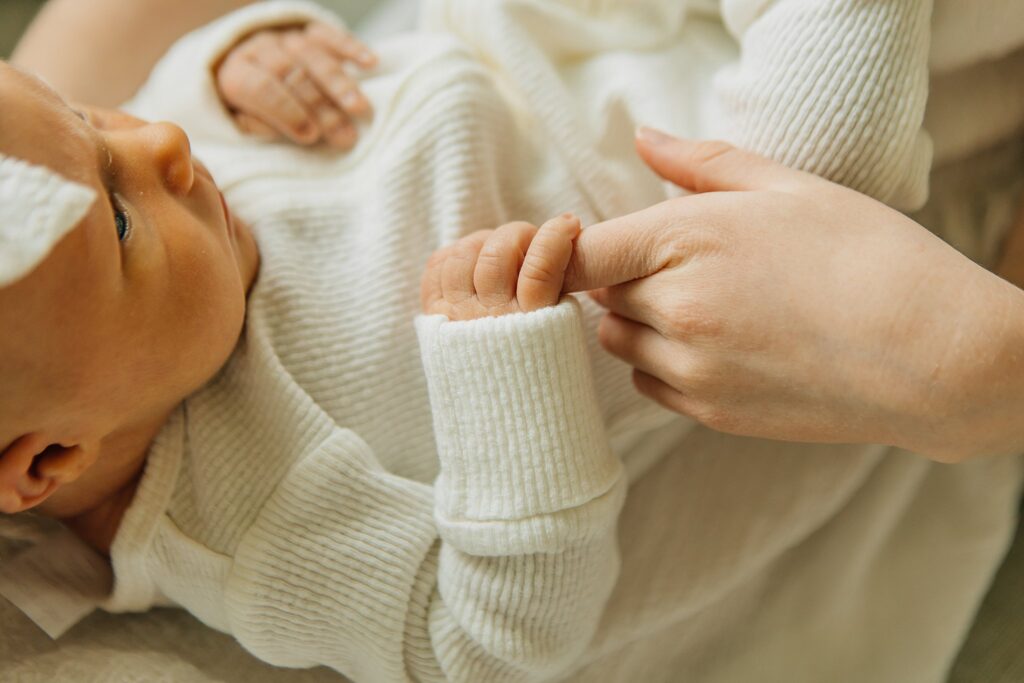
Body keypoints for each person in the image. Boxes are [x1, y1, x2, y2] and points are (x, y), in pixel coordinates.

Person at [2, 2, 1019, 683]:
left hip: (596, 55)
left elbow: (171, 121)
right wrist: (504, 367)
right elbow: (485, 643)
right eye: (122, 220)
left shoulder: (135, 248)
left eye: (93, 120)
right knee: (834, 140)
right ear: (50, 458)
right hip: (728, 223)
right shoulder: (249, 519)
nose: (162, 150)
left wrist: (238, 62)